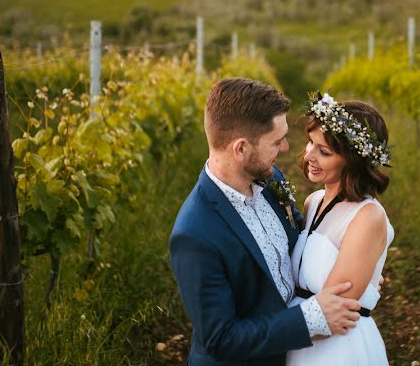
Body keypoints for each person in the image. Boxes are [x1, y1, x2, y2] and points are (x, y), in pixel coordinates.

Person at [169, 78, 362, 366]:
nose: (286, 147)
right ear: (241, 149)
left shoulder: (272, 181)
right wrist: (311, 320)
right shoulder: (194, 234)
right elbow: (221, 339)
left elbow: (299, 240)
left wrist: (354, 264)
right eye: (276, 141)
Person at [286, 92, 394, 366]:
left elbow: (331, 313)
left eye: (324, 151)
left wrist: (260, 334)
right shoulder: (313, 203)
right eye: (310, 142)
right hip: (298, 340)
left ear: (352, 161)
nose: (309, 155)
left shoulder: (367, 217)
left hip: (335, 350)